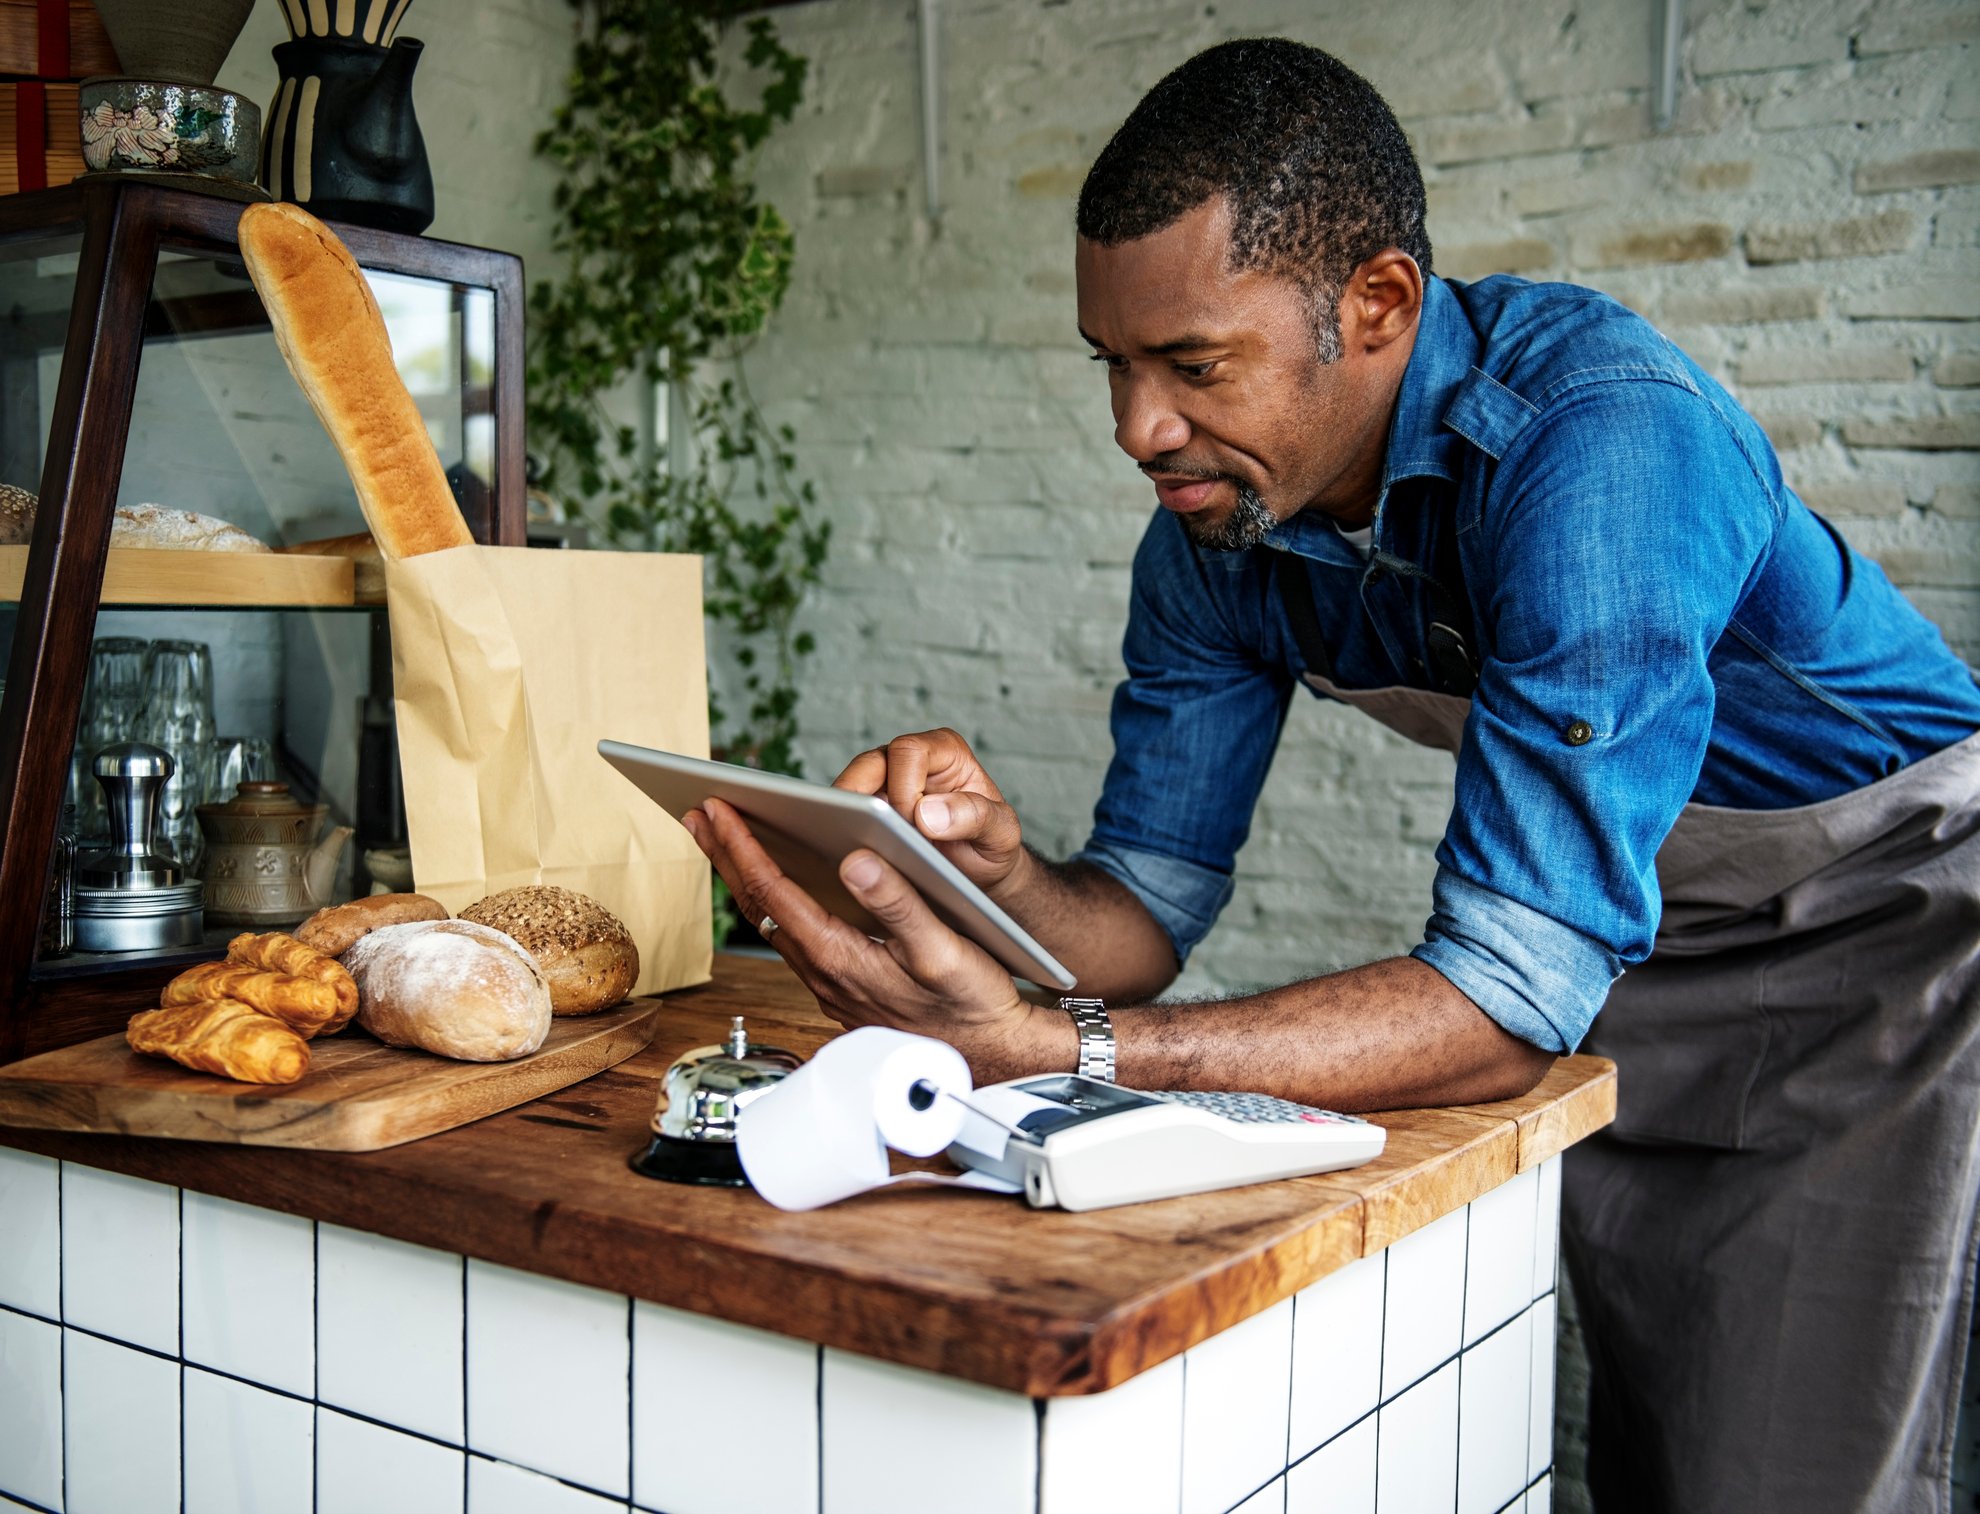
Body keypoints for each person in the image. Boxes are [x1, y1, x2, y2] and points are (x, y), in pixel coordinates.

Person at [681, 37, 1980, 1514]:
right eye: (1113, 365)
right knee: (1662, 1428)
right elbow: (1145, 915)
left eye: (1191, 365)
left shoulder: (1604, 451)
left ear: (1375, 307)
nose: (1136, 429)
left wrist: (1055, 1050)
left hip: (1881, 923)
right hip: (1629, 933)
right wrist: (1002, 878)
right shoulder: (1219, 524)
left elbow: (1498, 1002)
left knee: (1786, 1465)